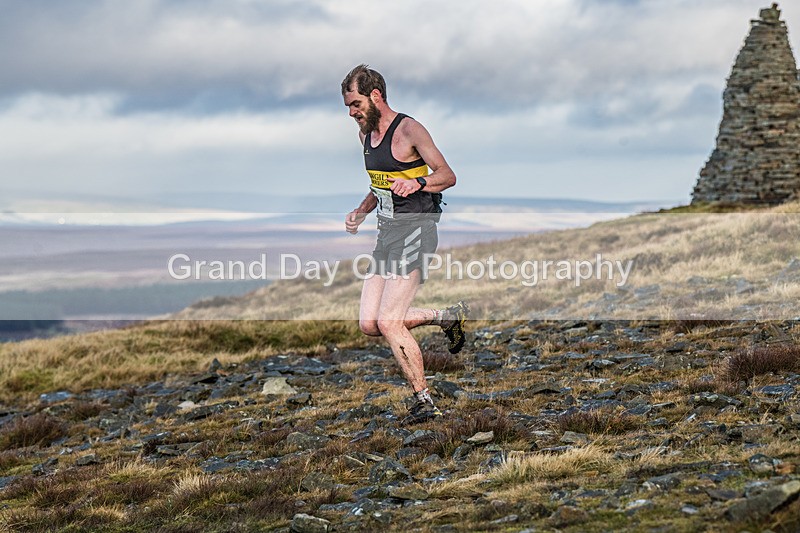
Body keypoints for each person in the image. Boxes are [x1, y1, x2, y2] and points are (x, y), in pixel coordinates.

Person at [341, 64, 469, 425]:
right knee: (370, 323)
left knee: (391, 321)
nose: (352, 113)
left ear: (375, 96)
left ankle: (424, 400)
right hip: (387, 233)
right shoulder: (365, 137)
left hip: (417, 228)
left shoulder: (409, 130)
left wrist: (419, 184)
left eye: (355, 104)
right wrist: (362, 211)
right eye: (348, 107)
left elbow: (447, 175)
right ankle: (444, 316)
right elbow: (379, 183)